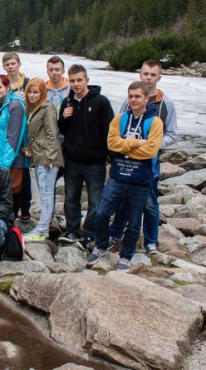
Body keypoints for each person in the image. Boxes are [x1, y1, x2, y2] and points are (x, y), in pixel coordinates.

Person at [86, 81, 163, 272]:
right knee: (102, 212)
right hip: (118, 176)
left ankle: (126, 256)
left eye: (138, 96)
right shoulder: (119, 119)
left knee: (134, 222)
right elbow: (111, 144)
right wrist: (137, 143)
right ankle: (101, 246)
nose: (133, 100)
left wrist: (125, 147)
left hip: (140, 180)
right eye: (130, 96)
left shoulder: (155, 122)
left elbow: (151, 151)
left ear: (146, 98)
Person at [109, 59, 178, 255]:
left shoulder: (165, 103)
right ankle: (116, 234)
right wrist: (122, 151)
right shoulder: (130, 100)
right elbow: (119, 129)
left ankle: (150, 241)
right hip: (125, 160)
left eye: (152, 75)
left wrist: (154, 145)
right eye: (145, 73)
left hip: (150, 163)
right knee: (122, 199)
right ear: (140, 74)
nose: (148, 78)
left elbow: (172, 134)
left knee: (150, 202)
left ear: (159, 77)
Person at [57, 64, 114, 248]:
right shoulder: (67, 102)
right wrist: (64, 118)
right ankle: (72, 230)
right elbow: (62, 130)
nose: (76, 84)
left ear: (87, 80)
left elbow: (109, 131)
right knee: (70, 199)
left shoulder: (101, 102)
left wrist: (112, 158)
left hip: (95, 162)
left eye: (79, 80)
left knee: (95, 201)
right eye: (72, 81)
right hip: (72, 161)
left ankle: (89, 233)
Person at [23, 78, 64, 242]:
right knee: (44, 195)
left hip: (47, 158)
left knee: (46, 196)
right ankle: (44, 225)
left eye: (36, 92)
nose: (32, 95)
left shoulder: (47, 108)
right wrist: (28, 148)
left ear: (42, 93)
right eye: (30, 92)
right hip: (39, 155)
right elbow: (34, 134)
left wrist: (50, 158)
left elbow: (52, 134)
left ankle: (42, 230)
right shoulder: (34, 108)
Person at [0, 74, 29, 222]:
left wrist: (4, 166)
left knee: (12, 194)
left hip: (12, 160)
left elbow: (13, 138)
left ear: (7, 87)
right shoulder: (1, 103)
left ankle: (10, 227)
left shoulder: (15, 105)